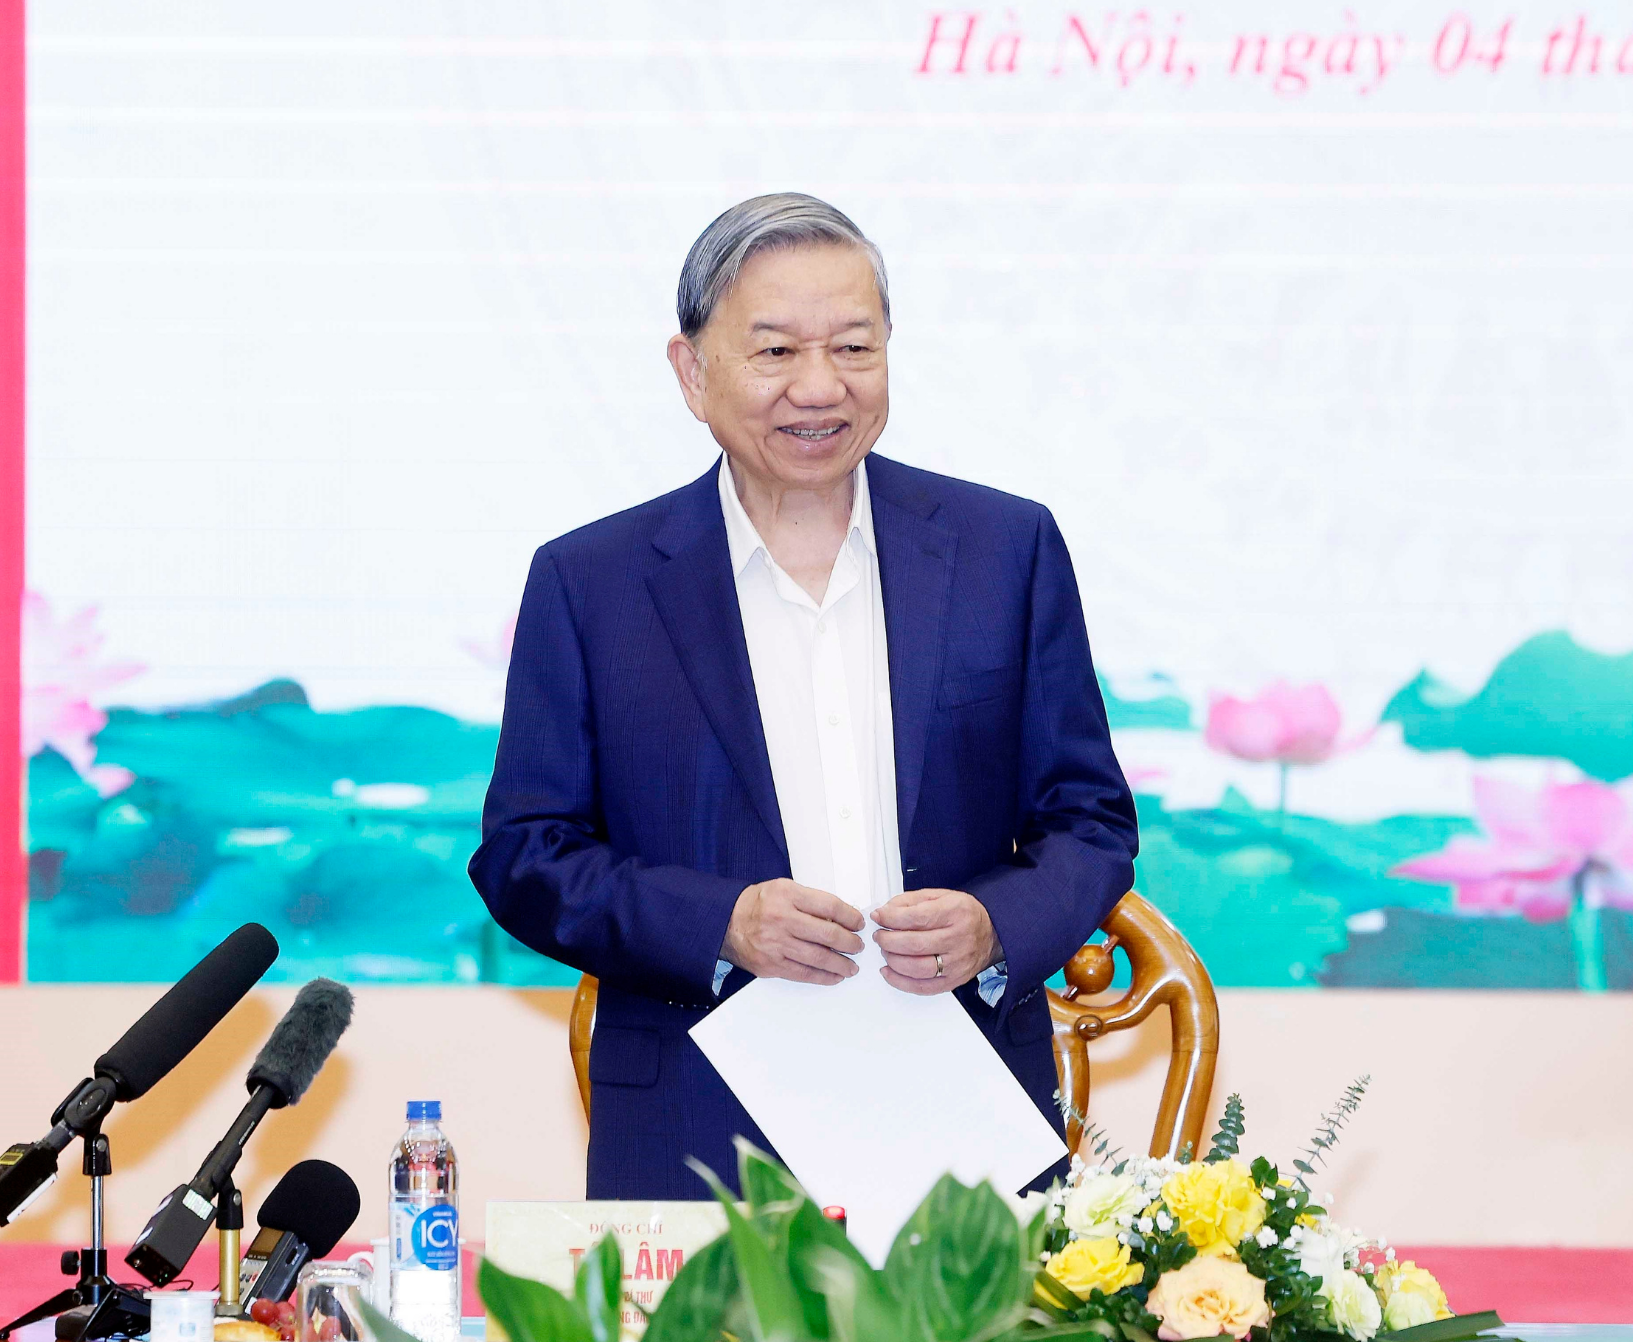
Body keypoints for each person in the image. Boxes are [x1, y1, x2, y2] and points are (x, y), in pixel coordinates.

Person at [471, 193, 1137, 1199]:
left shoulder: (1005, 550)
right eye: (775, 351)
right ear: (691, 371)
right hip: (698, 1124)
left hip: (964, 1112)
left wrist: (993, 924)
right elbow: (526, 856)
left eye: (854, 348)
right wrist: (720, 922)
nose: (820, 387)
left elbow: (1089, 820)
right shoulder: (591, 582)